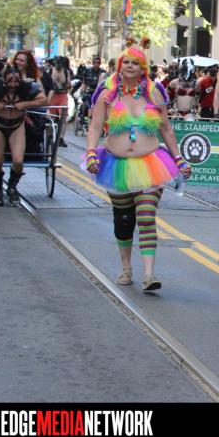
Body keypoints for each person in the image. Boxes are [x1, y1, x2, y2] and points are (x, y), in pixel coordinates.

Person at [84, 46, 191, 291]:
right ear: (119, 65)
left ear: (143, 68)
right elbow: (95, 126)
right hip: (116, 165)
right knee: (123, 220)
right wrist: (90, 152)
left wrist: (179, 158)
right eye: (126, 62)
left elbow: (166, 129)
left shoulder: (154, 93)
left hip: (150, 164)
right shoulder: (107, 94)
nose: (130, 66)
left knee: (146, 217)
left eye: (135, 63)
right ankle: (126, 268)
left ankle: (149, 274)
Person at [0, 69, 47, 205]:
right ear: (4, 80)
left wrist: (24, 104)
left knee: (18, 161)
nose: (13, 84)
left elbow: (43, 99)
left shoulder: (26, 88)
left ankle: (12, 186)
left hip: (17, 126)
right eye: (10, 81)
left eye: (16, 81)